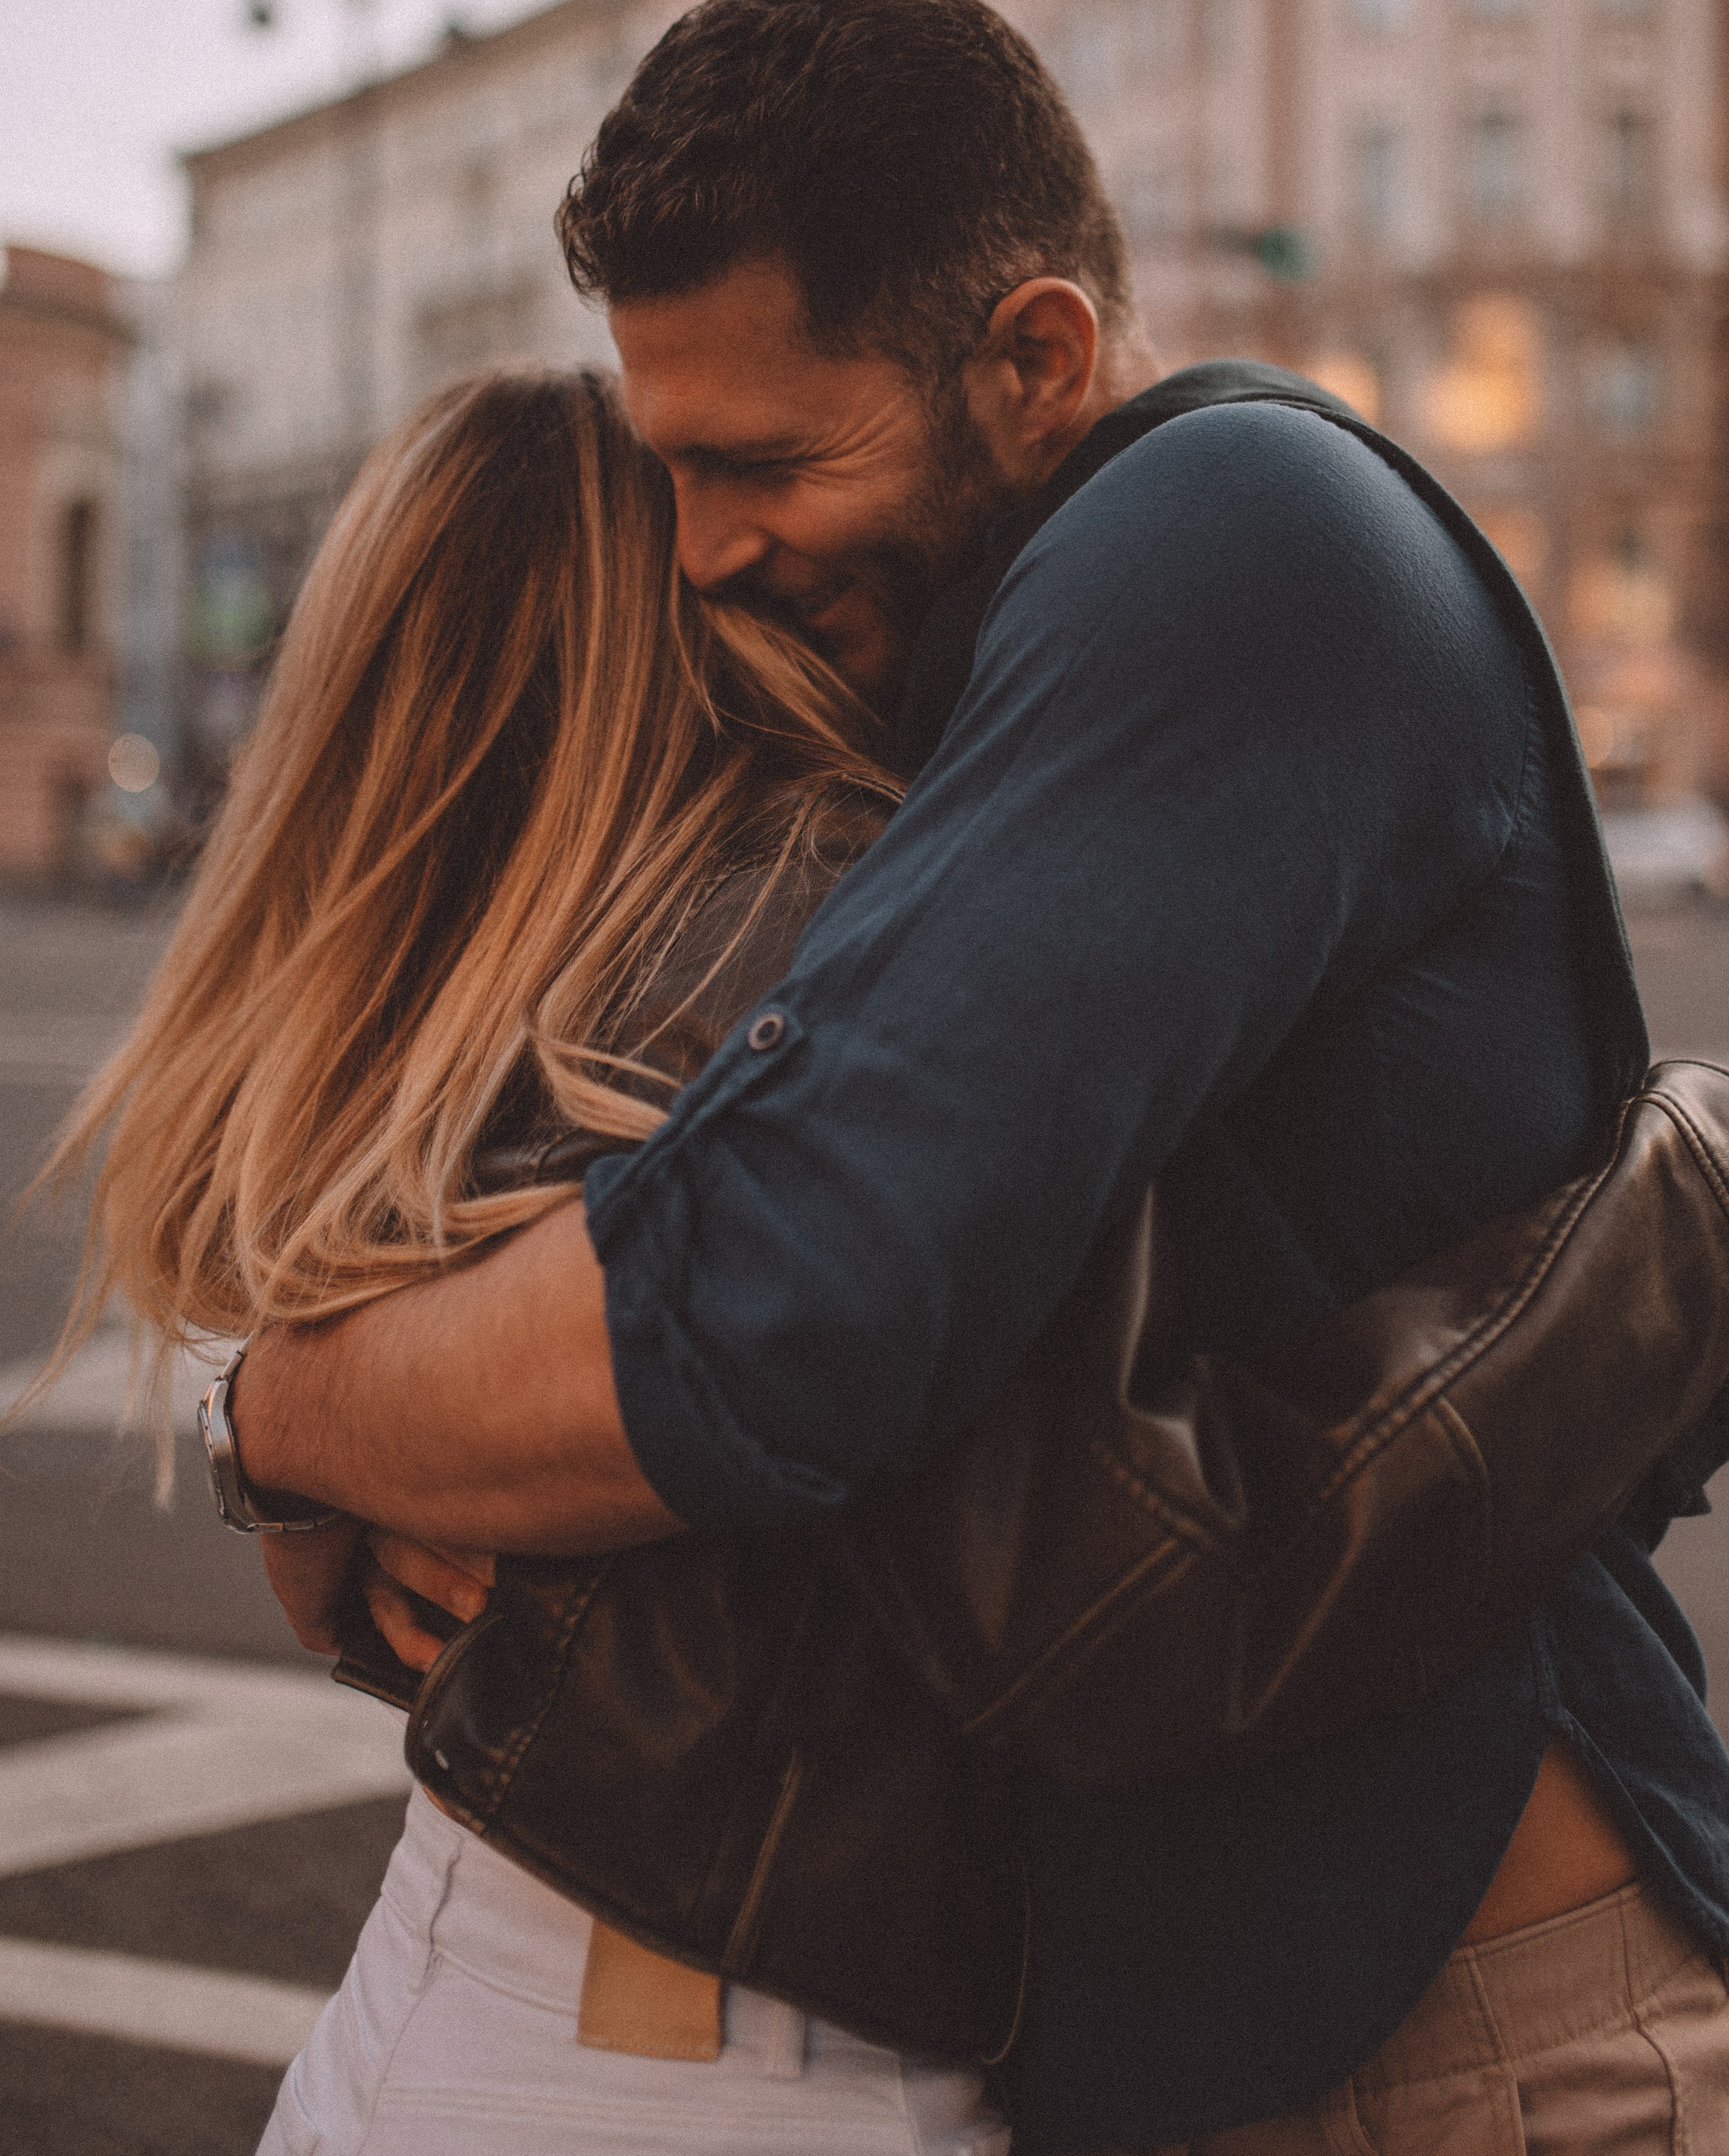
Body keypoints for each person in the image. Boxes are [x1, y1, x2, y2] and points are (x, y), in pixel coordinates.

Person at [235, 0, 1729, 2154]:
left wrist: (286, 1406)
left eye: (760, 458)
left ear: (1037, 356)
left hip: (1424, 2033)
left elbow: (778, 1300)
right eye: (666, 464)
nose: (700, 549)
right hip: (1206, 2015)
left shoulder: (1232, 530)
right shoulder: (1005, 632)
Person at [43, 364, 1014, 2154]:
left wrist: (274, 1422)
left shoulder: (408, 1015)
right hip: (752, 2061)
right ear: (676, 614)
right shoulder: (841, 913)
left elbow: (305, 1488)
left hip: (437, 2008)